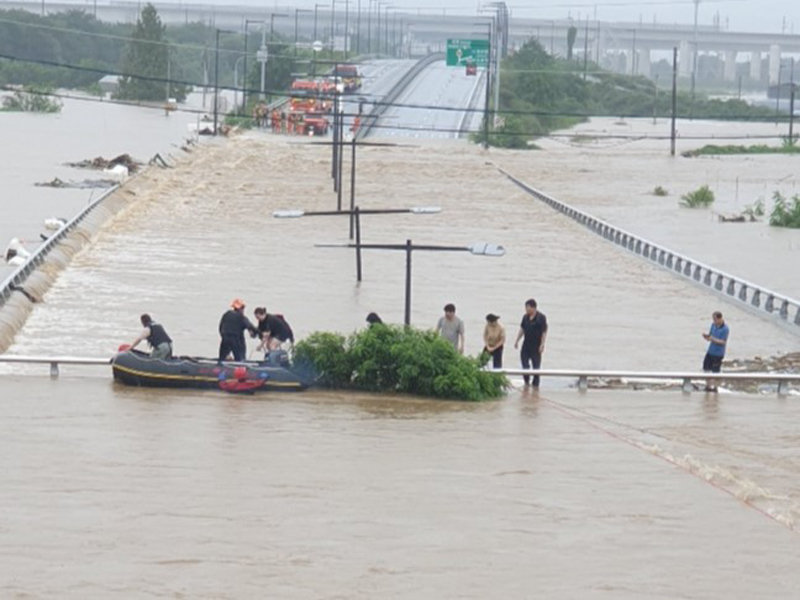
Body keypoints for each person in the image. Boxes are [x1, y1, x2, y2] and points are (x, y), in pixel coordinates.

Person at [514, 298, 548, 387]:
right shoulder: (525, 317)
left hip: (536, 346)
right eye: (525, 308)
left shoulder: (541, 318)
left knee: (536, 368)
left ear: (533, 308)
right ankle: (526, 383)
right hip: (526, 345)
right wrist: (517, 340)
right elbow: (522, 329)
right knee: (525, 365)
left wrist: (542, 344)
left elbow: (544, 332)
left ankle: (535, 386)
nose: (526, 309)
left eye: (527, 308)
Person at [702, 311, 729, 392]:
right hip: (710, 351)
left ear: (720, 318)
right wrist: (706, 337)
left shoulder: (725, 329)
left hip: (718, 353)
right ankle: (708, 386)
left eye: (715, 319)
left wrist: (712, 339)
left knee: (715, 371)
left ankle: (716, 387)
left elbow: (723, 342)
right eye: (713, 319)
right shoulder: (713, 325)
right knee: (706, 368)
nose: (714, 321)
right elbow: (710, 335)